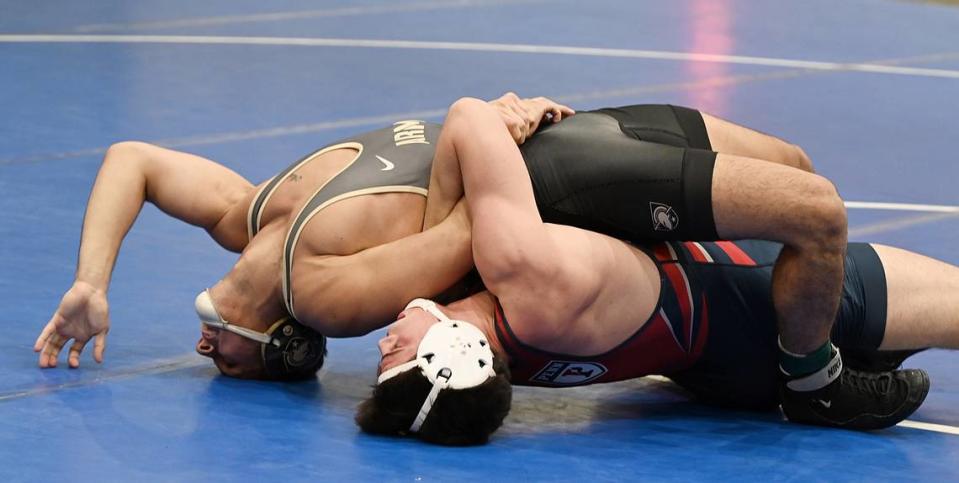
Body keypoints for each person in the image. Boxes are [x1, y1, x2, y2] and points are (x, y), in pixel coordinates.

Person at [35, 93, 840, 384]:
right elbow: (464, 230)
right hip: (577, 152)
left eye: (225, 362)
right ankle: (831, 342)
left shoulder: (262, 224)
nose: (209, 353)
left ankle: (818, 362)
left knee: (800, 190)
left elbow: (130, 158)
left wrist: (92, 281)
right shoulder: (305, 265)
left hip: (576, 162)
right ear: (284, 346)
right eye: (230, 365)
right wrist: (496, 122)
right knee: (798, 192)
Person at [358, 98, 942, 445]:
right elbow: (467, 117)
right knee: (817, 210)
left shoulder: (501, 338)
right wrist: (513, 115)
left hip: (732, 361)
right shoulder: (533, 282)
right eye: (394, 354)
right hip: (767, 302)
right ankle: (819, 385)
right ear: (455, 355)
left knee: (792, 168)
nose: (385, 339)